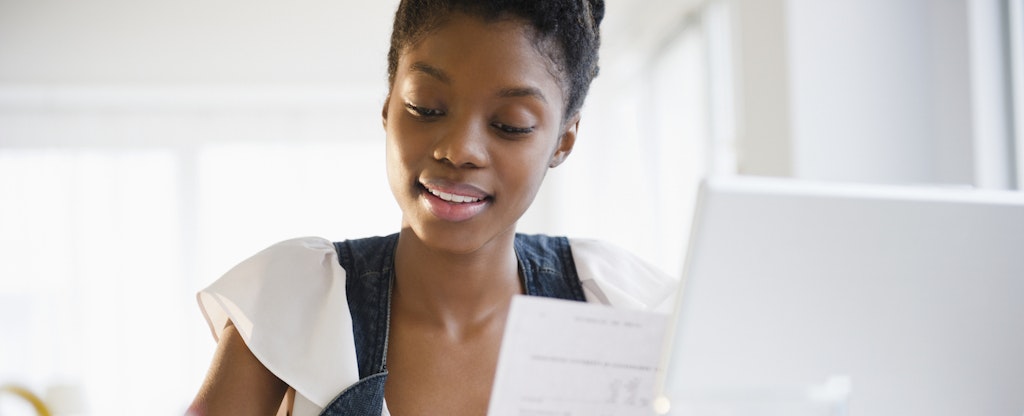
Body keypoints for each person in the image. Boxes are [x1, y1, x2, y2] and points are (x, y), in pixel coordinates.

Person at [188, 0, 676, 415]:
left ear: (562, 142)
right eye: (426, 107)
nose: (459, 149)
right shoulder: (294, 301)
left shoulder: (617, 307)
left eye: (510, 124)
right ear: (388, 108)